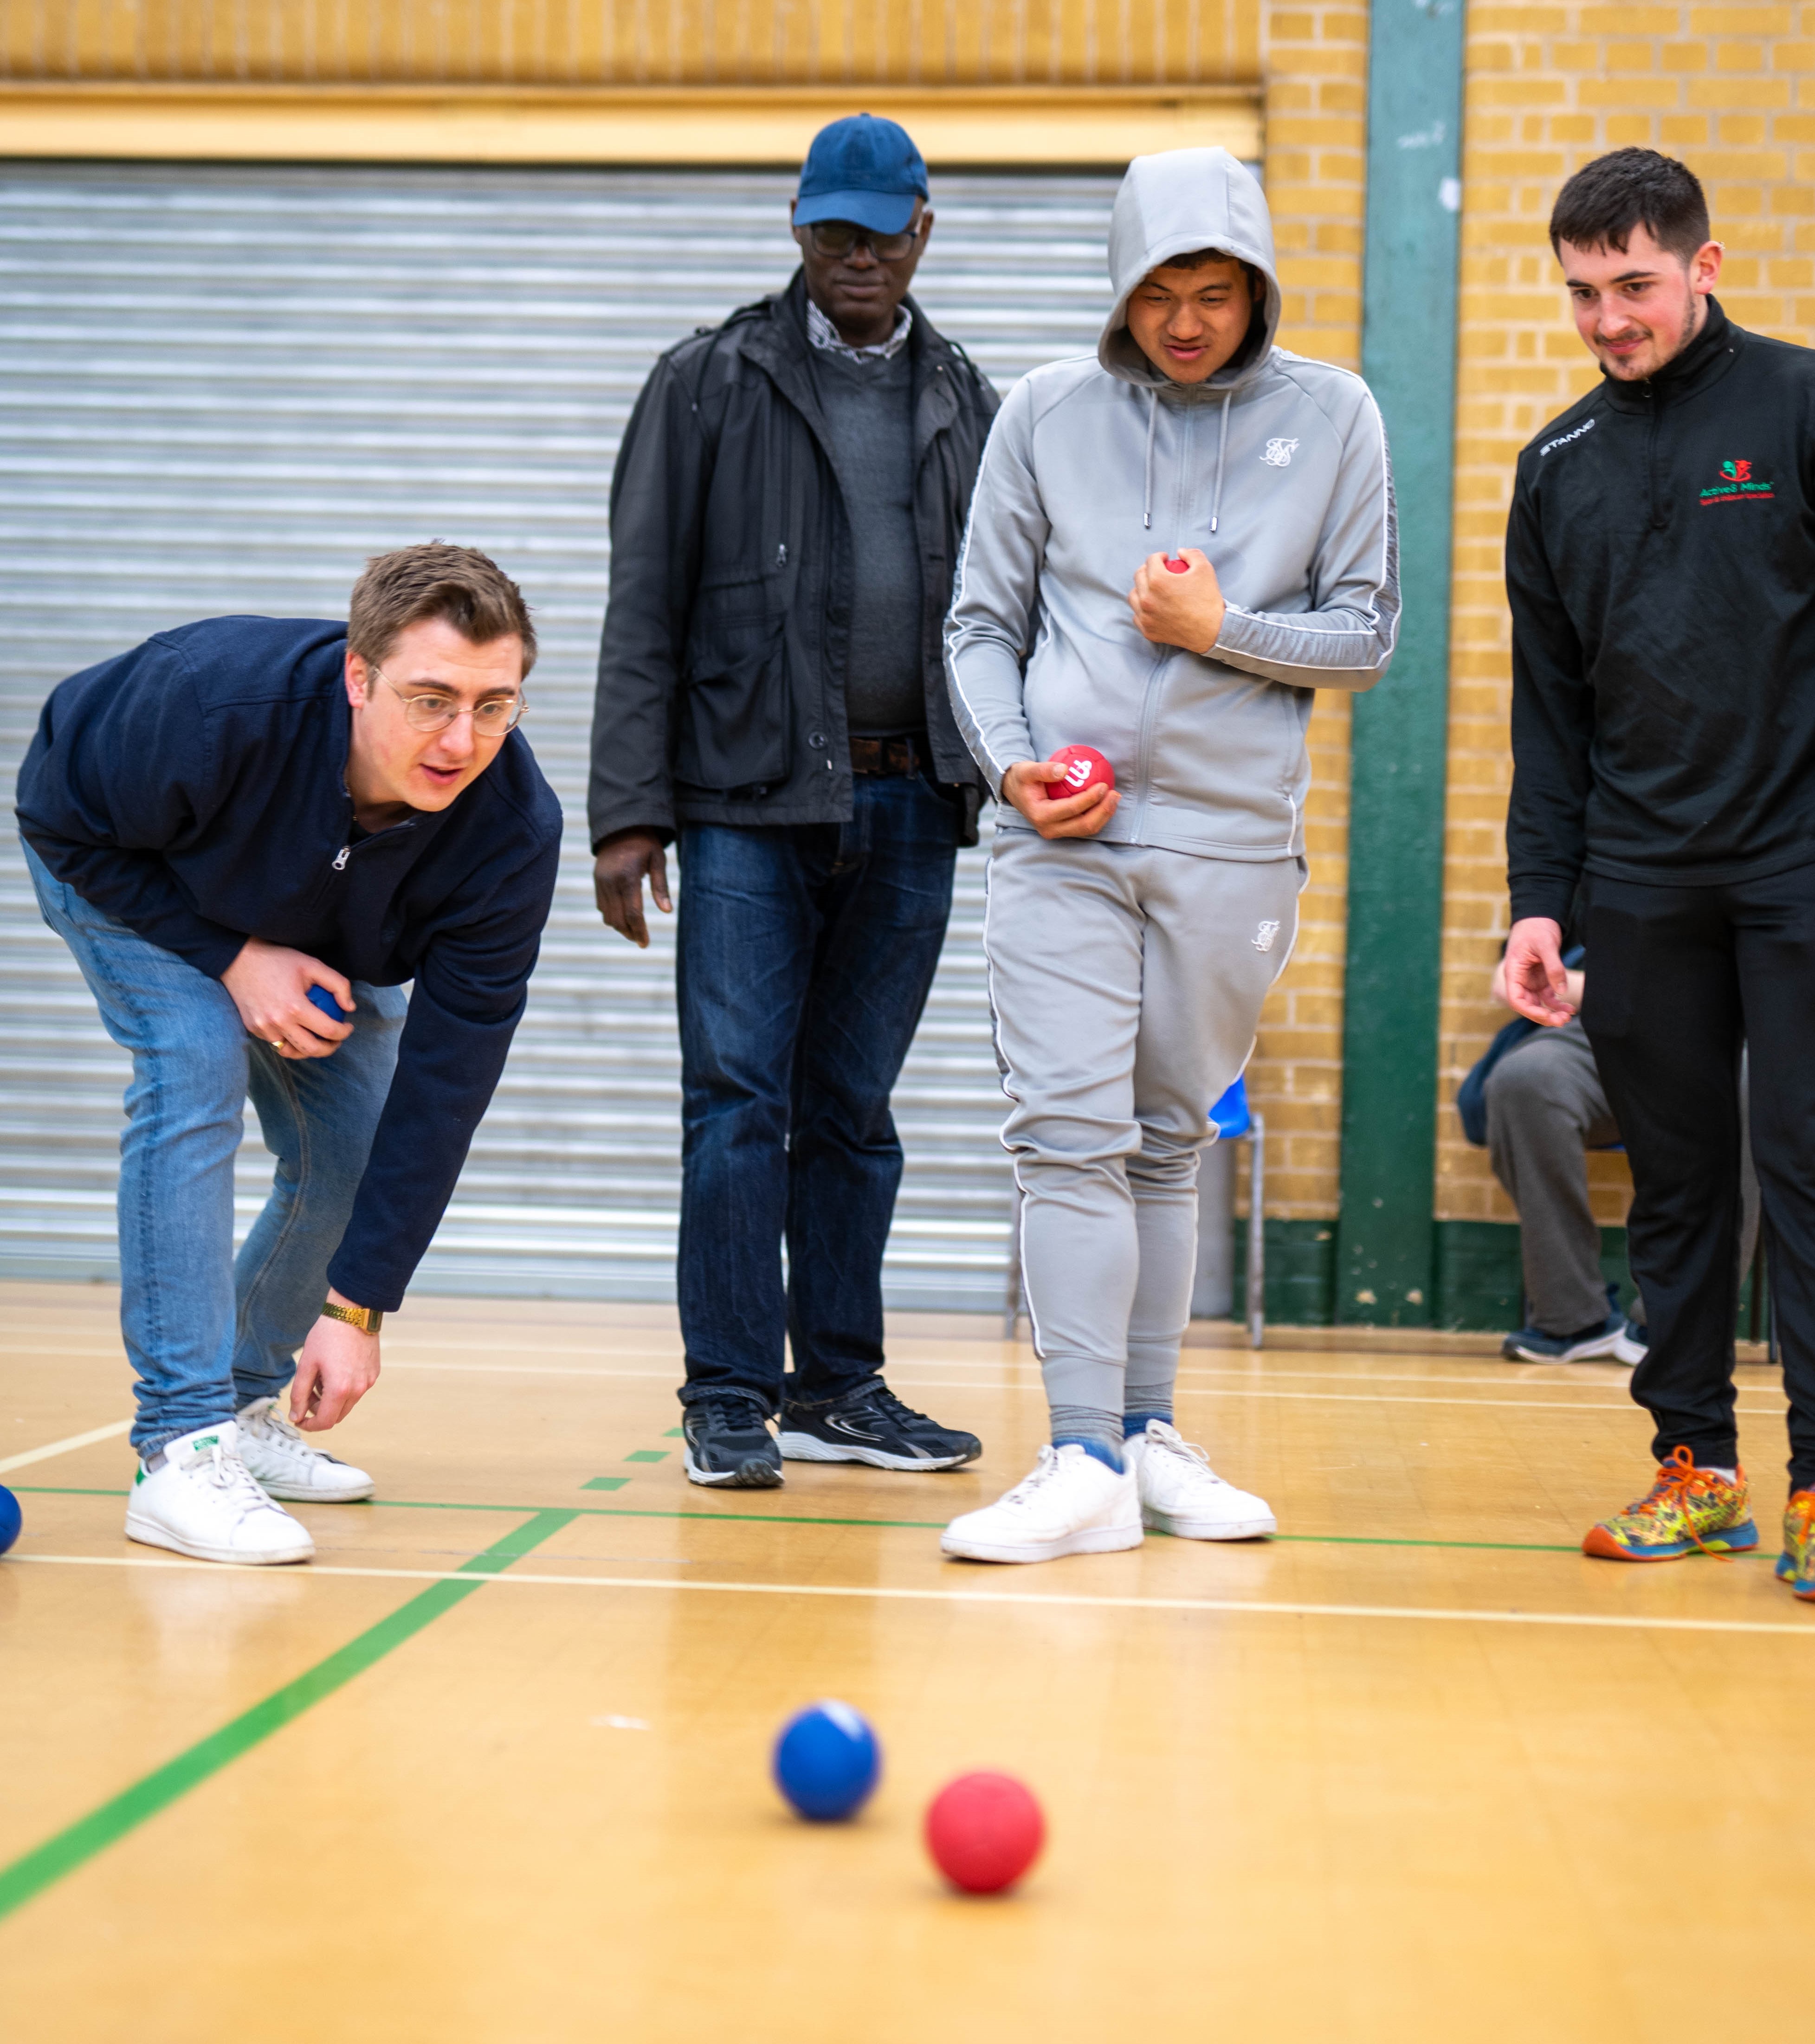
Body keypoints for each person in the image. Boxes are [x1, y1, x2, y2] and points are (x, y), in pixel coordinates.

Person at [939, 147, 1397, 1564]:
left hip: (1229, 844)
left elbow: (1367, 631)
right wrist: (1013, 765)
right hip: (1060, 838)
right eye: (1157, 293)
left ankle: (1141, 1434)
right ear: (1121, 290)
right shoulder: (1041, 412)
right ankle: (1077, 1449)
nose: (1184, 321)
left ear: (1255, 288)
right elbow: (977, 627)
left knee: (1162, 1139)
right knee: (1064, 1132)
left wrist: (1223, 633)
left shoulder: (1335, 417)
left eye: (1214, 293)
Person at [589, 114, 998, 1488]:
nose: (858, 253)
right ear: (797, 226)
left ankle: (836, 1383)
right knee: (734, 1103)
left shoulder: (969, 398)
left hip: (906, 805)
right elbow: (641, 604)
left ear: (923, 230)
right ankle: (726, 1392)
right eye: (833, 228)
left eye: (883, 229)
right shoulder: (706, 384)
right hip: (745, 806)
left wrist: (1013, 775)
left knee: (854, 1110)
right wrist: (626, 813)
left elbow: (1003, 614)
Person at [15, 544, 562, 1566]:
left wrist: (359, 1308)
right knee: (195, 1061)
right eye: (431, 698)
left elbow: (445, 1089)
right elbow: (58, 812)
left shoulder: (511, 835)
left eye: (495, 705)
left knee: (355, 1140)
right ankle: (177, 1450)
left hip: (302, 914)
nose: (461, 739)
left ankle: (234, 1408)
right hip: (129, 877)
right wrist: (230, 957)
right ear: (358, 677)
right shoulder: (209, 704)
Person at [1502, 147, 1815, 1598]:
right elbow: (1547, 711)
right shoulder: (1553, 466)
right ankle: (1696, 1467)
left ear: (1702, 264)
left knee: (1803, 1172)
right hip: (1636, 878)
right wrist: (1538, 898)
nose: (1605, 318)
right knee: (1679, 1187)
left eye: (1631, 284)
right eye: (1579, 291)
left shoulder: (1798, 406)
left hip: (1795, 862)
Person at [1474, 945, 1761, 1367]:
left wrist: (1584, 987)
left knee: (1753, 1083)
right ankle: (1571, 1317)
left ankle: (1678, 1321)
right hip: (1594, 1032)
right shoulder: (1577, 883)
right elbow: (1509, 981)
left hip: (1722, 1034)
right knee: (1525, 1080)